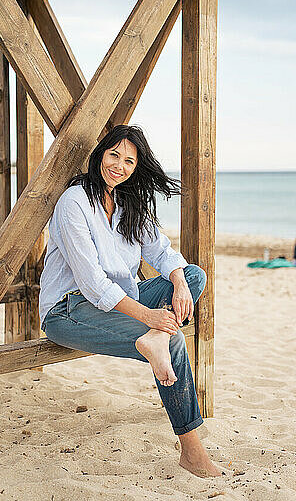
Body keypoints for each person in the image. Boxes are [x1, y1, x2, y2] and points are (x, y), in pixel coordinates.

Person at [39, 124, 221, 478]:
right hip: (68, 309)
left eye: (129, 161)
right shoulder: (74, 202)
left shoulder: (128, 202)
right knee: (176, 338)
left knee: (194, 275)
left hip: (123, 300)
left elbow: (162, 251)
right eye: (113, 155)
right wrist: (151, 318)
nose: (119, 166)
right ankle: (193, 453)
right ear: (100, 155)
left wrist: (180, 282)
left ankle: (156, 339)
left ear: (136, 168)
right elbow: (92, 283)